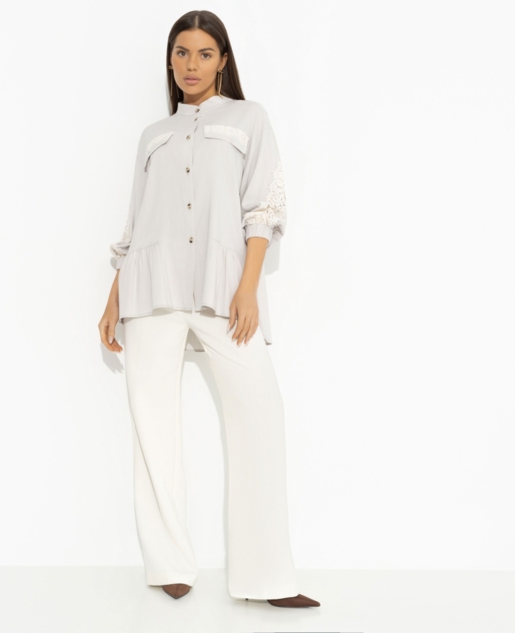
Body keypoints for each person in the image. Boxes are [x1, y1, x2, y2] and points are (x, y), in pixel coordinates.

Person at [99, 10, 320, 609]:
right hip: (150, 293)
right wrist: (114, 297)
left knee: (261, 415)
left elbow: (263, 208)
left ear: (223, 59)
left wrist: (248, 287)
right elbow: (137, 220)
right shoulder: (154, 134)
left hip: (224, 291)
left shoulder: (249, 119)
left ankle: (267, 578)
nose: (190, 65)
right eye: (181, 53)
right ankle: (169, 564)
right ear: (170, 61)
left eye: (203, 53)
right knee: (153, 425)